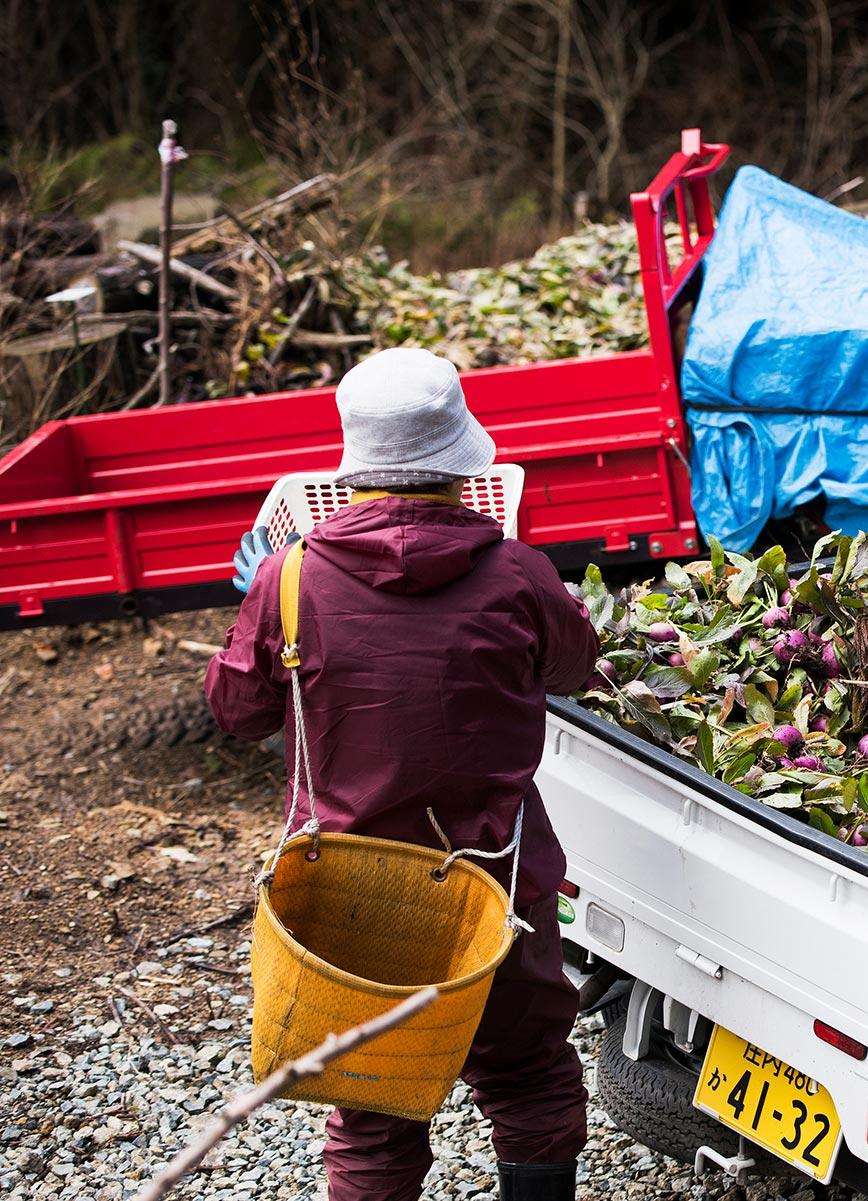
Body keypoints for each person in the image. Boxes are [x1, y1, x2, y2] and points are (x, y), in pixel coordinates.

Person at [205, 347, 598, 1201]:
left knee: (371, 1106)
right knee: (529, 1075)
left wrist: (255, 607)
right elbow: (575, 667)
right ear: (462, 463)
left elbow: (237, 712)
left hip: (354, 891)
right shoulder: (518, 574)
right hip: (493, 886)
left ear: (354, 470)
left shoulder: (292, 576)